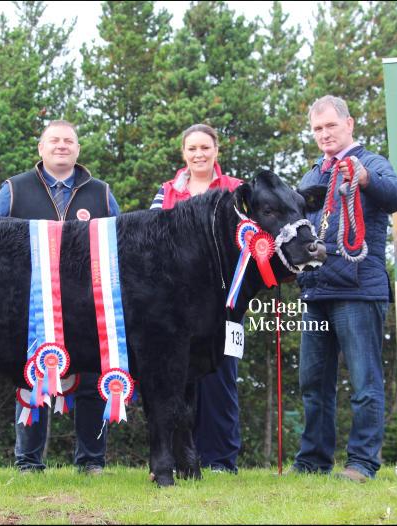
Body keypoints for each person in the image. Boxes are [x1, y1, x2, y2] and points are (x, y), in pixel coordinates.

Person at [0, 120, 119, 475]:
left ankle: (91, 461)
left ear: (78, 149)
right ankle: (29, 462)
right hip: (31, 304)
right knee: (33, 378)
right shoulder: (13, 189)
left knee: (93, 380)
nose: (62, 146)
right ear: (41, 148)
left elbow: (120, 246)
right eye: (54, 140)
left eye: (69, 141)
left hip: (89, 307)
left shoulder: (102, 192)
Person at [292, 95, 397, 482]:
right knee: (312, 383)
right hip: (315, 291)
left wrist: (365, 179)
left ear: (349, 124)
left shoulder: (370, 163)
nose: (324, 134)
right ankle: (313, 460)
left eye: (330, 126)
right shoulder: (312, 174)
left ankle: (362, 462)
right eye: (317, 128)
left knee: (364, 382)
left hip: (359, 289)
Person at [150, 124, 243, 473]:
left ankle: (220, 459)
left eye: (205, 147)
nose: (199, 154)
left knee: (222, 380)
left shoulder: (236, 190)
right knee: (178, 380)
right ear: (183, 153)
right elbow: (154, 238)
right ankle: (177, 457)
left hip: (226, 303)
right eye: (192, 148)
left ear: (216, 150)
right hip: (178, 305)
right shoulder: (166, 191)